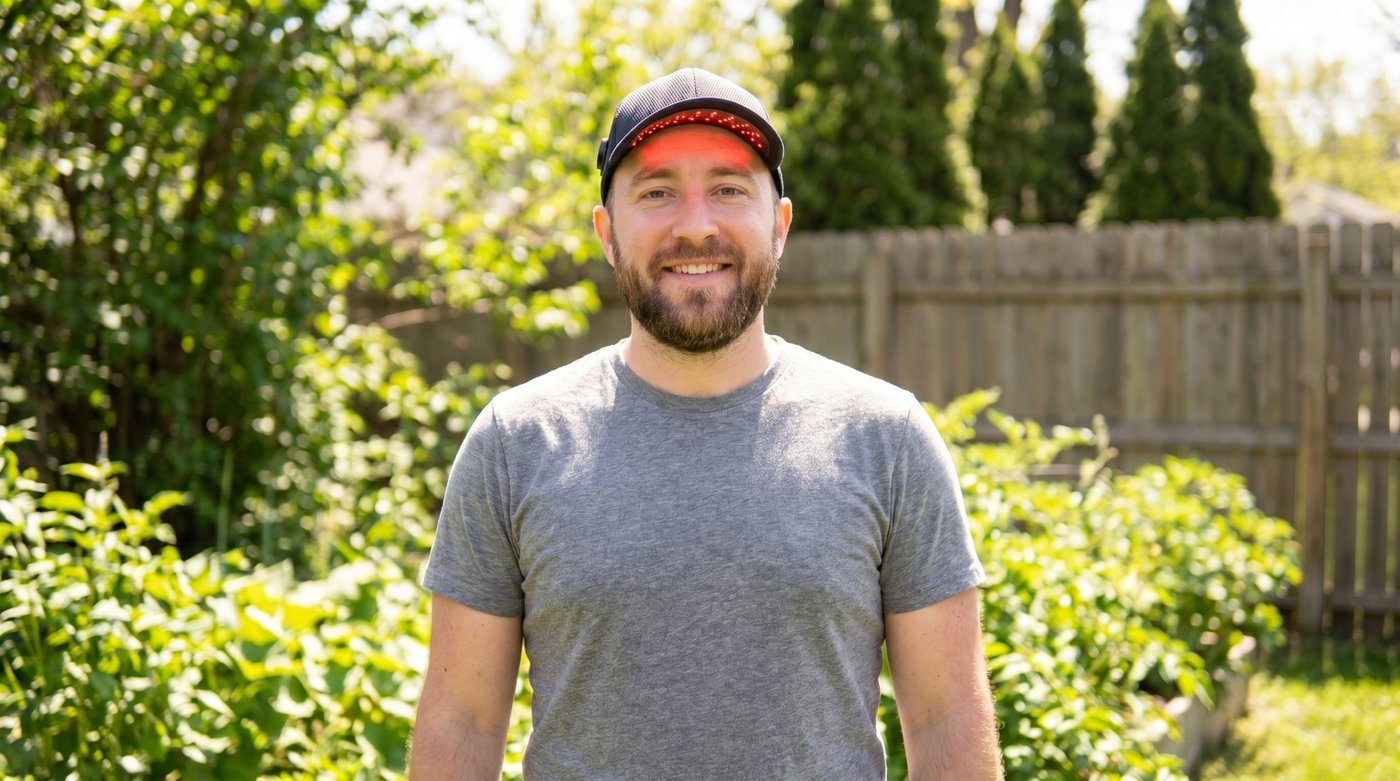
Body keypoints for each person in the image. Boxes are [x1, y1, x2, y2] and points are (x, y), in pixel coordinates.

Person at [409, 67, 1002, 780]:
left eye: (729, 188)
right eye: (657, 192)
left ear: (778, 225)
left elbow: (948, 721)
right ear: (607, 232)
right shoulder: (516, 442)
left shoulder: (887, 437)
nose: (695, 224)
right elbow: (461, 722)